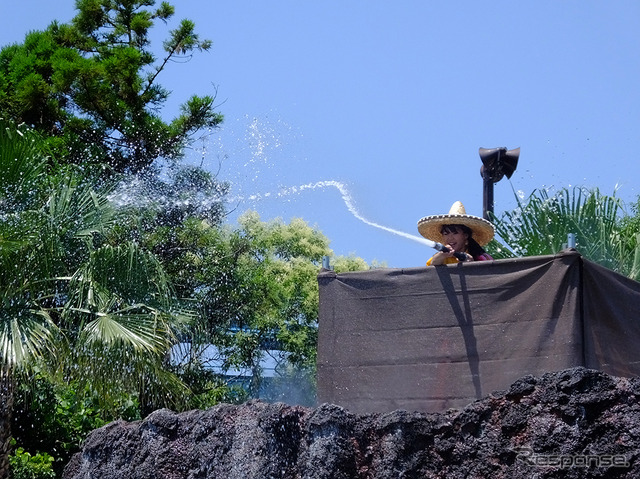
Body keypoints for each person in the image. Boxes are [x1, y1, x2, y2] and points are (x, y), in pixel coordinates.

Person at [417, 201, 494, 266]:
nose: (450, 238)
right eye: (446, 234)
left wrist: (471, 265)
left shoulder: (482, 258)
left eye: (455, 233)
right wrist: (441, 256)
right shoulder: (442, 257)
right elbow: (430, 269)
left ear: (466, 236)